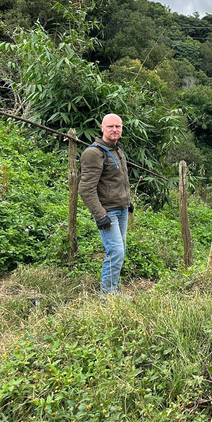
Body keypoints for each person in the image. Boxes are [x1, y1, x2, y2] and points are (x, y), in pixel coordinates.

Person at [78, 113, 133, 294]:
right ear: (102, 128)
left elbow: (120, 180)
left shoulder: (118, 150)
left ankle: (113, 290)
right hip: (108, 212)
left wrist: (128, 202)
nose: (114, 130)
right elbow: (86, 189)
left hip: (122, 209)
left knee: (120, 251)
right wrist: (100, 215)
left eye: (118, 126)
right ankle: (108, 296)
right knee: (115, 252)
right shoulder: (93, 153)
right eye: (110, 126)